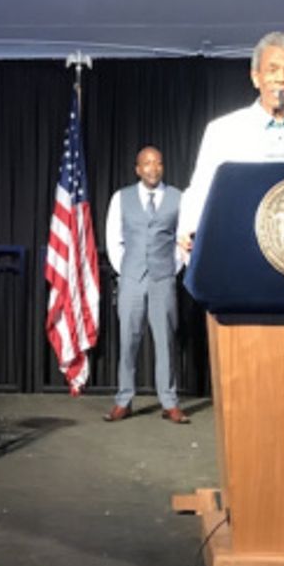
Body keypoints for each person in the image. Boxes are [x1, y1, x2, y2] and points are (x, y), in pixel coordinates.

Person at [178, 31, 284, 248]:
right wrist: (189, 230)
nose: (281, 78)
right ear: (255, 77)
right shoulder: (222, 130)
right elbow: (202, 189)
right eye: (272, 69)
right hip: (244, 242)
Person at [103, 146, 189, 424]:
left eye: (158, 163)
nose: (153, 168)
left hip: (163, 279)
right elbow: (113, 239)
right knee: (128, 341)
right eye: (147, 164)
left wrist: (169, 270)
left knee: (165, 341)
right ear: (138, 169)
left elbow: (182, 239)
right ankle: (123, 400)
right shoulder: (121, 198)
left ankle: (169, 402)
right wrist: (126, 270)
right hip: (131, 279)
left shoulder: (178, 198)